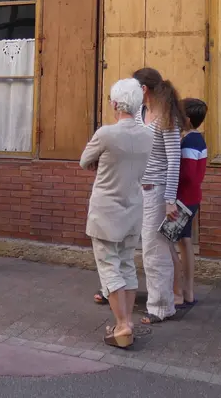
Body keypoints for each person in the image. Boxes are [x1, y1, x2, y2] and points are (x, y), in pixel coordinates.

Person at [81, 78, 153, 348]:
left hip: (106, 210)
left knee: (109, 266)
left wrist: (101, 163)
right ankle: (127, 321)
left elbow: (84, 161)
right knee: (127, 264)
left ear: (114, 104)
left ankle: (122, 326)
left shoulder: (106, 134)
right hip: (133, 206)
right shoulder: (147, 135)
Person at [133, 67, 186, 325]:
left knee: (155, 251)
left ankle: (161, 307)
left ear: (144, 89)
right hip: (138, 189)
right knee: (146, 248)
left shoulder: (167, 117)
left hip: (157, 190)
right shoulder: (139, 112)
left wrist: (170, 200)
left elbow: (174, 160)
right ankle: (156, 301)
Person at [171, 98, 207, 309]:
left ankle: (177, 293)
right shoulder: (197, 139)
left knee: (169, 244)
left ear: (186, 118)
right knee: (185, 243)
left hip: (182, 200)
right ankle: (188, 292)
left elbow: (188, 175)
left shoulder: (190, 141)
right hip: (192, 198)